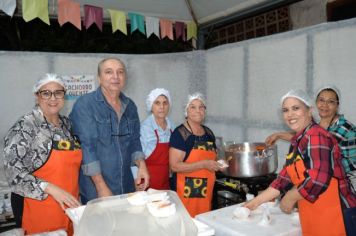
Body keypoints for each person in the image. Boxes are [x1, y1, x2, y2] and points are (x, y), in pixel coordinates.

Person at [245, 89, 356, 236]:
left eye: (296, 108)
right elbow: (284, 178)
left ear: (310, 111)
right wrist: (254, 203)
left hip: (338, 212)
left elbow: (318, 180)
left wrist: (290, 197)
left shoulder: (317, 136)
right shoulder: (299, 140)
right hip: (314, 211)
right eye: (285, 110)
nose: (290, 114)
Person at [3, 74, 82, 235]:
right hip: (38, 206)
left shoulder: (67, 124)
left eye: (58, 92)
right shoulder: (24, 127)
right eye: (46, 93)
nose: (53, 98)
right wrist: (50, 188)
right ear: (36, 96)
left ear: (64, 95)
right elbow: (13, 173)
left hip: (68, 204)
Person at [69, 57, 149, 204]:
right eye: (109, 72)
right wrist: (101, 187)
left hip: (126, 186)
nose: (115, 77)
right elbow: (87, 148)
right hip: (96, 190)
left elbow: (135, 140)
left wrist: (142, 165)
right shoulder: (85, 105)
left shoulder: (130, 106)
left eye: (120, 72)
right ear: (99, 78)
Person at [169, 93, 225, 217]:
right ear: (186, 111)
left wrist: (219, 163)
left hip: (207, 190)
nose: (198, 111)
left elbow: (213, 157)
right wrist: (204, 164)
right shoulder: (180, 134)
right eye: (193, 107)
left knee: (204, 223)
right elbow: (175, 166)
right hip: (185, 191)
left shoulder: (208, 133)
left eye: (201, 107)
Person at [138, 88, 175, 190]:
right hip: (146, 182)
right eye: (157, 103)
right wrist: (136, 182)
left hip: (165, 181)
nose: (162, 107)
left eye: (165, 103)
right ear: (151, 106)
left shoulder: (172, 126)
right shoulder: (144, 128)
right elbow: (135, 157)